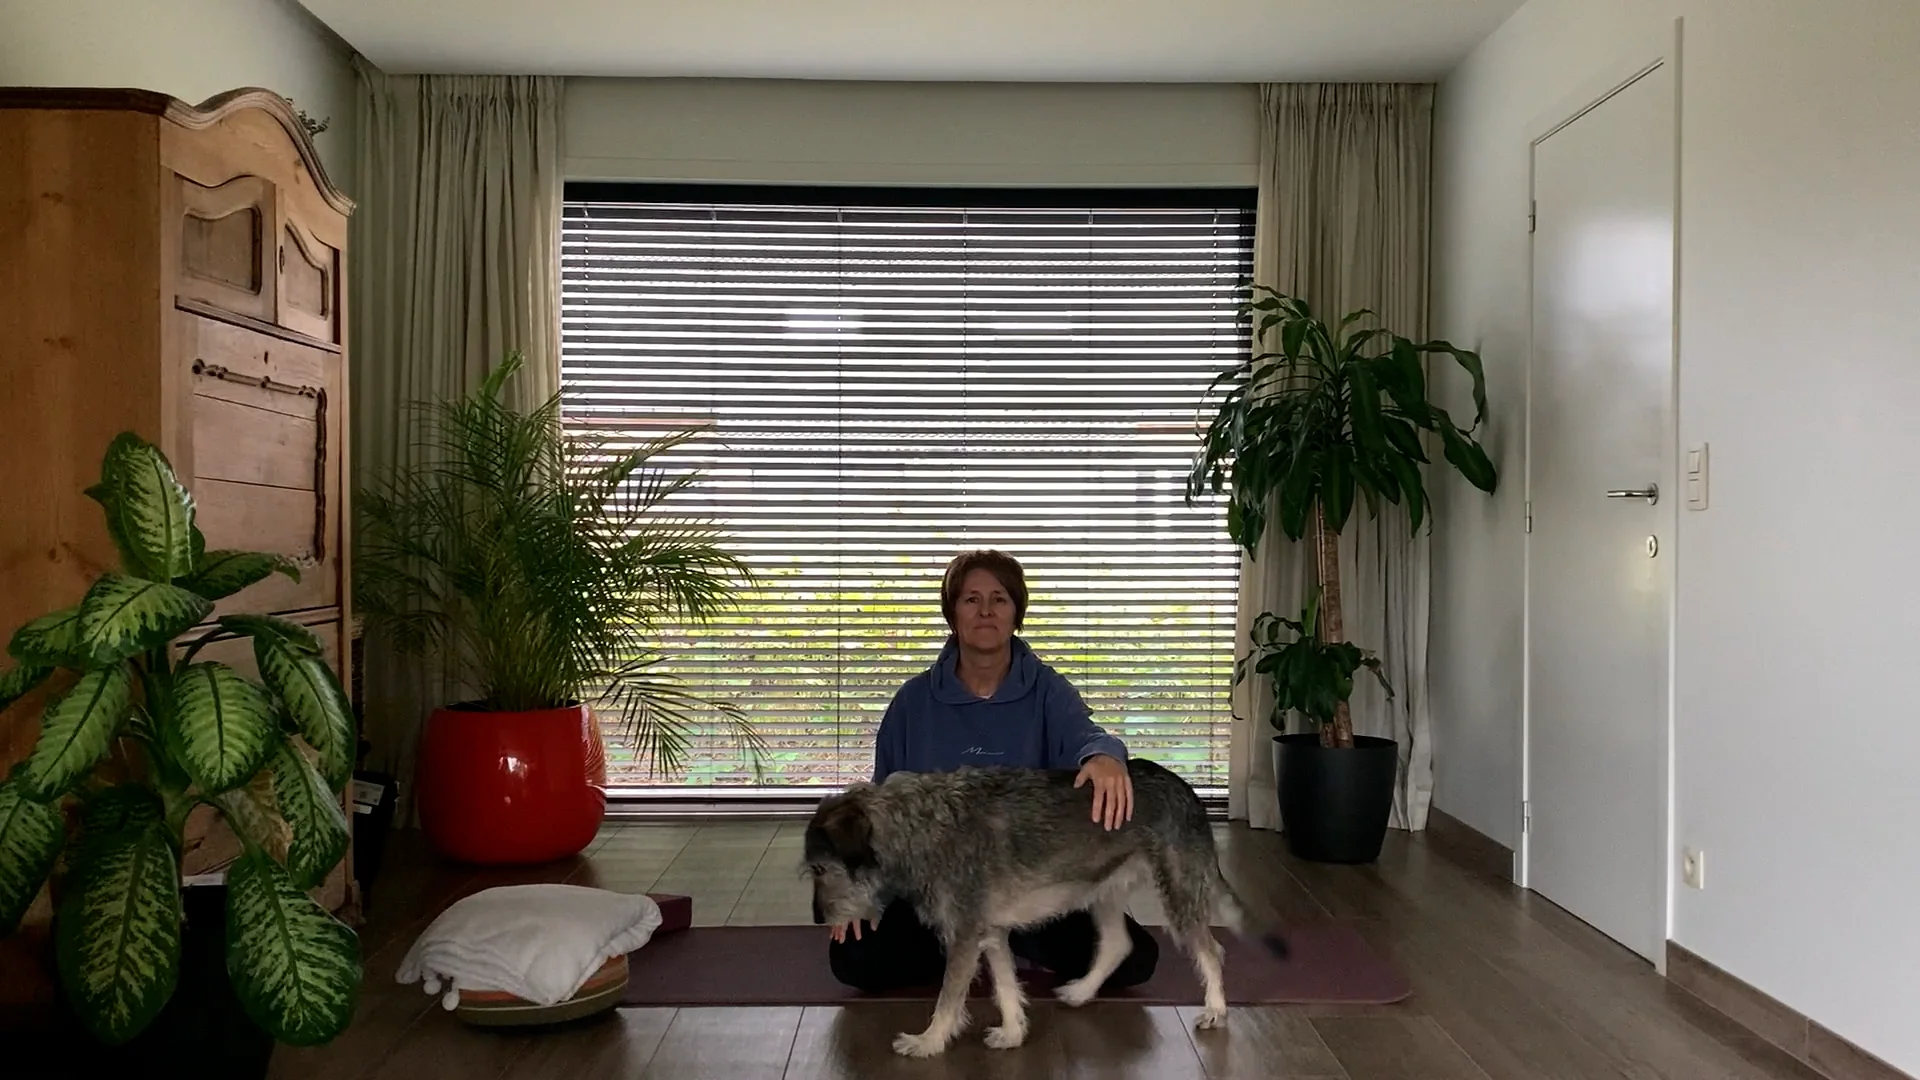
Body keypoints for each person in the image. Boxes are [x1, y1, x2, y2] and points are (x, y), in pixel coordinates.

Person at [825, 548, 1160, 993]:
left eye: (999, 599)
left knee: (1136, 963)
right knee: (853, 960)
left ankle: (996, 941)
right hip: (938, 890)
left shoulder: (1046, 688)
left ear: (1016, 613)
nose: (986, 611)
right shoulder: (913, 701)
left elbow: (1089, 737)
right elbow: (881, 813)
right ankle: (974, 941)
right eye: (971, 599)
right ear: (952, 614)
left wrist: (1106, 756)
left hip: (1029, 887)